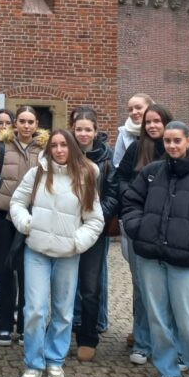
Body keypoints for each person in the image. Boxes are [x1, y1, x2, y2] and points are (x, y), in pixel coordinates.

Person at [122, 121, 189, 377]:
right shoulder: (151, 173)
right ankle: (168, 369)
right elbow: (131, 203)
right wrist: (140, 229)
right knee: (158, 318)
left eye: (177, 140)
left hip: (184, 260)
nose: (172, 146)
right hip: (151, 258)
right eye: (167, 141)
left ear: (188, 141)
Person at [11, 129, 103, 377]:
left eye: (64, 145)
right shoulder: (37, 173)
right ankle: (33, 362)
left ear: (71, 147)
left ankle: (54, 360)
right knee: (35, 310)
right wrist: (27, 224)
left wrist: (77, 242)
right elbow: (17, 202)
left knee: (63, 311)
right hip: (37, 251)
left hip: (67, 255)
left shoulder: (85, 176)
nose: (60, 150)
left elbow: (95, 219)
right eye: (55, 145)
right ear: (49, 148)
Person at [0, 106, 46, 346]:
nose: (26, 126)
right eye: (21, 121)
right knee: (2, 272)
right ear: (15, 124)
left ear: (36, 125)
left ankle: (25, 325)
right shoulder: (0, 147)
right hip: (2, 218)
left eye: (30, 121)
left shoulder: (45, 149)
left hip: (32, 220)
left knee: (29, 273)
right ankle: (3, 324)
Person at [104, 103, 171, 365]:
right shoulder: (137, 148)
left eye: (157, 121)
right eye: (149, 122)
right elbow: (118, 179)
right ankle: (143, 341)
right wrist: (132, 200)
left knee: (168, 287)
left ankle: (165, 342)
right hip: (139, 224)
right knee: (142, 286)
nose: (153, 126)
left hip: (169, 227)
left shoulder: (175, 147)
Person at [70, 106, 111, 361]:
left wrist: (95, 216)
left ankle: (88, 336)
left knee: (90, 284)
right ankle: (63, 331)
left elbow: (113, 193)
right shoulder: (63, 154)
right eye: (79, 129)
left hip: (94, 230)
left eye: (88, 129)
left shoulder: (106, 159)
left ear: (96, 131)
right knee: (64, 283)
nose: (83, 133)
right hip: (66, 228)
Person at [112, 93, 153, 168]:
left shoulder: (158, 130)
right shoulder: (124, 133)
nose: (134, 112)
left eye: (138, 108)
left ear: (150, 108)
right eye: (130, 109)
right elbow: (117, 163)